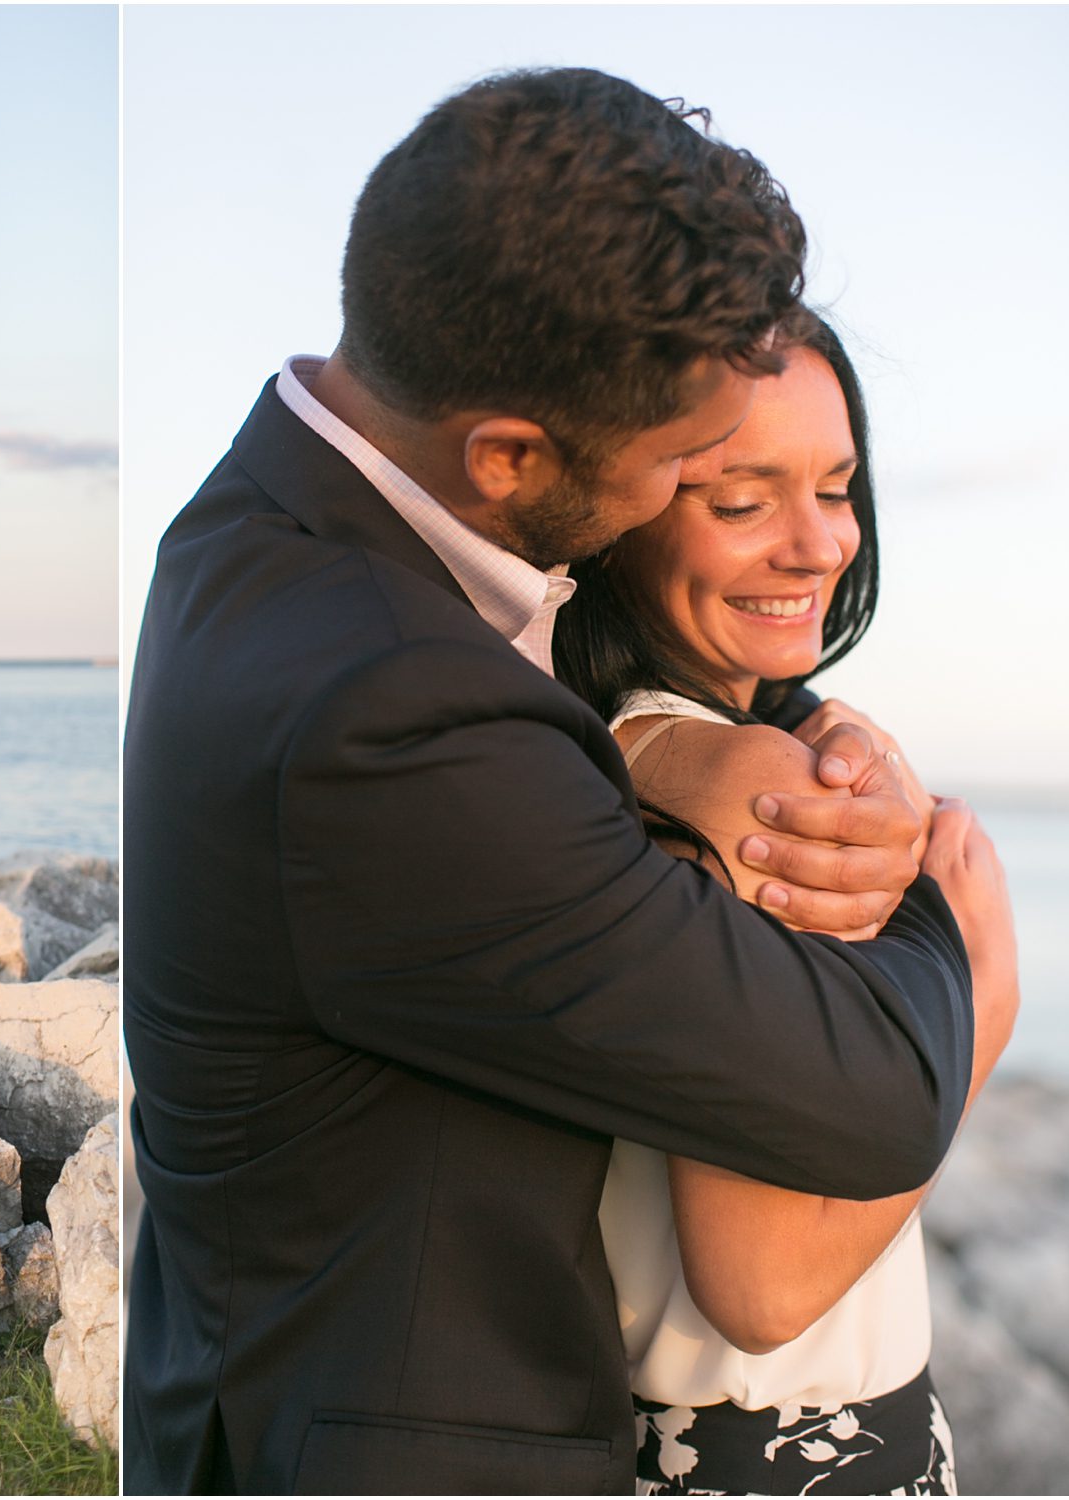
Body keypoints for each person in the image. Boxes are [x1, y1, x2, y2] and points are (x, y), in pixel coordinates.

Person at [123, 68, 989, 1494]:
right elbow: (878, 1096)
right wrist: (946, 889)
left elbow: (547, 747)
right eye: (685, 470)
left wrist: (670, 746)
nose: (680, 503)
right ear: (511, 456)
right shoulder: (386, 706)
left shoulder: (255, 525)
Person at [551, 317, 1017, 1495]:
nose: (816, 545)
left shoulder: (589, 753)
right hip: (785, 1452)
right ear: (623, 512)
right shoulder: (755, 814)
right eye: (741, 500)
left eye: (836, 487)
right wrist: (983, 1003)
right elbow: (760, 1285)